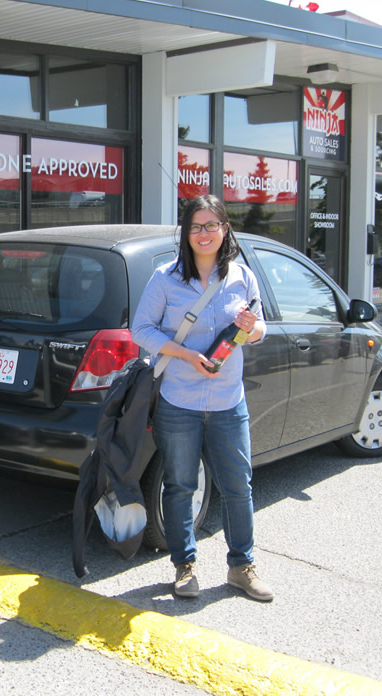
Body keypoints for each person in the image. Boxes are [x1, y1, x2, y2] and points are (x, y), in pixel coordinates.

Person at [131, 194, 273, 601]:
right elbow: (141, 329)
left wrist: (251, 326)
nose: (204, 233)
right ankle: (184, 566)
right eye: (196, 226)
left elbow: (260, 328)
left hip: (229, 402)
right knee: (178, 485)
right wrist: (186, 354)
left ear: (225, 229)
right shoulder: (165, 278)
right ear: (186, 234)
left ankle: (241, 567)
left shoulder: (242, 276)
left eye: (212, 225)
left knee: (238, 486)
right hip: (180, 400)